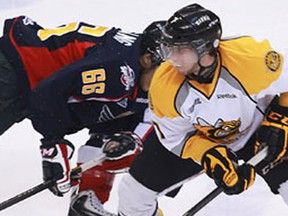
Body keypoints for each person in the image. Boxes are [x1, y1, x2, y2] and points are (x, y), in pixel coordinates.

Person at [116, 3, 288, 216]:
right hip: (199, 137)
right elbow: (175, 138)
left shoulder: (249, 58)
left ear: (206, 49)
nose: (171, 59)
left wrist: (282, 119)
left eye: (180, 50)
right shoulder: (164, 85)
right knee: (133, 194)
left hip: (258, 132)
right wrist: (207, 153)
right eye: (169, 48)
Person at [0, 16, 165, 215]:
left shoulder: (141, 86)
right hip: (13, 67)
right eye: (166, 72)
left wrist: (88, 187)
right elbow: (47, 93)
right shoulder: (119, 69)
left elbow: (104, 139)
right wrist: (53, 142)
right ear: (148, 59)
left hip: (24, 83)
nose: (169, 82)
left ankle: (86, 199)